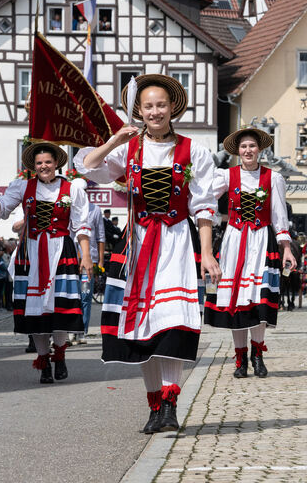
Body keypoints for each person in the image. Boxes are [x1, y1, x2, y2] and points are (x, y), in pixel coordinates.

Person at [75, 74, 221, 433]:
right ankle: (155, 406)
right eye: (148, 106)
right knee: (143, 328)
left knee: (172, 321)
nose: (155, 111)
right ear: (139, 111)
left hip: (176, 241)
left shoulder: (194, 151)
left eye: (161, 105)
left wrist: (206, 253)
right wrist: (114, 140)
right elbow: (87, 167)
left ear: (172, 108)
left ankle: (170, 405)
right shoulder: (128, 148)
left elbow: (204, 207)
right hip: (138, 242)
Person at [0, 143, 91, 383]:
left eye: (47, 162)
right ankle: (44, 361)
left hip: (61, 250)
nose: (43, 166)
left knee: (60, 307)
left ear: (56, 163)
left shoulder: (72, 188)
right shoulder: (23, 186)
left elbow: (81, 224)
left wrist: (86, 255)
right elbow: (2, 209)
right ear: (33, 166)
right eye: (39, 163)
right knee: (35, 310)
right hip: (32, 251)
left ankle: (60, 355)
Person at [205, 127, 296, 379]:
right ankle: (240, 358)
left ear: (260, 150)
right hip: (234, 242)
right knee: (236, 302)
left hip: (261, 241)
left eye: (252, 146)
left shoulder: (273, 178)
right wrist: (214, 219)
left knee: (258, 300)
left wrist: (286, 249)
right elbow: (204, 199)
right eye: (243, 146)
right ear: (238, 151)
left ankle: (257, 354)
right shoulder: (227, 175)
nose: (248, 151)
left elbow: (279, 215)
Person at [77, 200, 106, 342]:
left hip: (89, 263)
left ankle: (82, 331)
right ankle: (69, 331)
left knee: (85, 295)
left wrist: (100, 262)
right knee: (71, 296)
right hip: (70, 260)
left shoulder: (95, 210)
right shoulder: (68, 207)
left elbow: (100, 236)